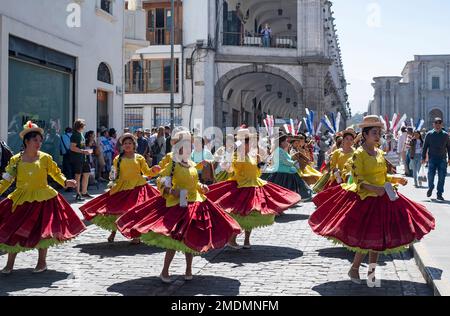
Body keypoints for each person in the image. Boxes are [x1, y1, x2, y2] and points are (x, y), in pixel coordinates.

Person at [309, 115, 435, 285]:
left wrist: (396, 179)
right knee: (365, 238)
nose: (378, 136)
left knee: (378, 238)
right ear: (365, 134)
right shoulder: (359, 154)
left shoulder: (379, 153)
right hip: (365, 199)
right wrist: (374, 188)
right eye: (374, 132)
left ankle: (371, 272)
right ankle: (354, 268)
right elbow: (357, 178)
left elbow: (383, 176)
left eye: (379, 132)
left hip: (383, 197)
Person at [116, 130, 241, 283]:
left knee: (190, 237)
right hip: (179, 203)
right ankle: (165, 270)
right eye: (184, 147)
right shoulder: (173, 164)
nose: (187, 150)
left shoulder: (192, 165)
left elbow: (194, 182)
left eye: (189, 148)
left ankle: (188, 269)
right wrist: (171, 190)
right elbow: (162, 181)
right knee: (175, 240)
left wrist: (202, 187)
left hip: (196, 202)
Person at [0, 121, 86, 274]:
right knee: (14, 230)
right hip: (21, 199)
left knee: (43, 232)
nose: (39, 143)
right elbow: (7, 180)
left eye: (40, 140)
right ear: (27, 141)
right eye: (35, 140)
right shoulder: (16, 160)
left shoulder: (45, 158)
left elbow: (55, 173)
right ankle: (10, 263)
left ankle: (42, 262)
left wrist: (65, 181)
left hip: (43, 199)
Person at [206, 127, 301, 249]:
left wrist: (259, 164)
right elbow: (227, 168)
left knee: (253, 213)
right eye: (249, 142)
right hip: (241, 187)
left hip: (254, 186)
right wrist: (229, 156)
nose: (251, 144)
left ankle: (246, 239)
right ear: (243, 143)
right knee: (240, 214)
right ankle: (232, 239)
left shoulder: (252, 156)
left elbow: (257, 172)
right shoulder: (236, 156)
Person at [80, 133, 161, 244]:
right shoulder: (118, 159)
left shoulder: (140, 158)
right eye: (125, 143)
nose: (127, 145)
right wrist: (112, 182)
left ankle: (136, 236)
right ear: (122, 146)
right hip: (122, 188)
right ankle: (113, 232)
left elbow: (146, 172)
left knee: (135, 212)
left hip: (138, 188)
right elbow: (113, 175)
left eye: (130, 143)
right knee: (115, 211)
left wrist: (154, 170)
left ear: (134, 145)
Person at [262, 132, 312, 200]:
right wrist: (296, 161)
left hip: (286, 170)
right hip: (283, 172)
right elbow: (286, 162)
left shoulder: (281, 150)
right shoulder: (279, 150)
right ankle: (300, 196)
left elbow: (287, 160)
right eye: (285, 141)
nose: (287, 142)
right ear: (281, 143)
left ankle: (297, 196)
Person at [422, 117, 450, 200]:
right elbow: (425, 147)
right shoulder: (429, 134)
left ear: (441, 125)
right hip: (432, 159)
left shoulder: (445, 135)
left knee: (442, 177)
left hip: (442, 159)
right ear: (433, 124)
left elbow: (449, 147)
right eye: (436, 123)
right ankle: (431, 187)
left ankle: (439, 193)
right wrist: (423, 157)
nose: (437, 125)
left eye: (439, 124)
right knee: (430, 175)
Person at [70, 119, 92, 202]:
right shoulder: (75, 135)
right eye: (84, 125)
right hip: (77, 158)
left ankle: (84, 192)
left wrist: (86, 150)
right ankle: (78, 193)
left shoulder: (81, 134)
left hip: (83, 158)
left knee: (86, 173)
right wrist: (83, 151)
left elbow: (80, 146)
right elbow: (72, 147)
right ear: (80, 126)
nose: (85, 126)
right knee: (78, 176)